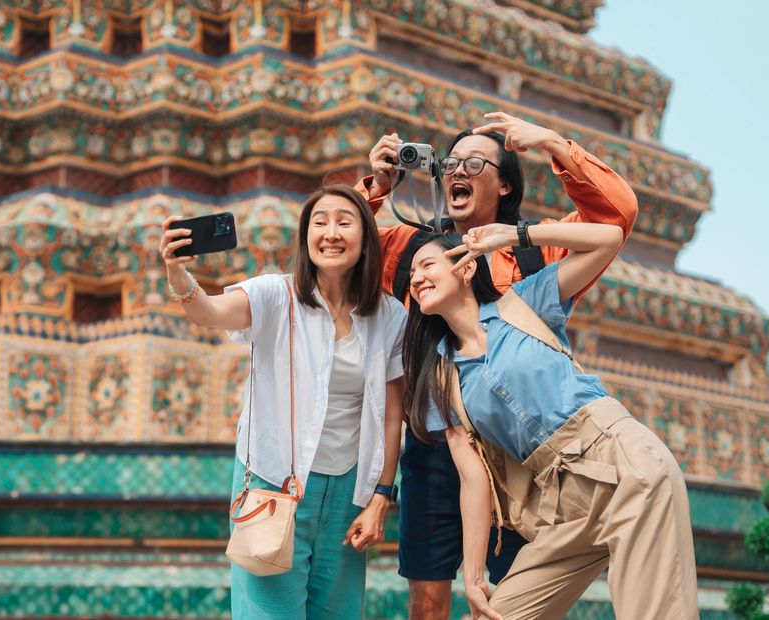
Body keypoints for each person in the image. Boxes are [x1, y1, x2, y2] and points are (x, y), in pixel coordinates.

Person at [355, 111, 639, 619]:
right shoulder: (414, 249)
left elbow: (615, 217)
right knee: (427, 601)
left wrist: (552, 143)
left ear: (505, 183)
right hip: (440, 442)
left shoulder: (535, 251)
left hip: (518, 451)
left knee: (507, 600)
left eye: (475, 163)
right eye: (451, 162)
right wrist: (376, 188)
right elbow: (342, 244)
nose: (457, 170)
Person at [403, 225, 699, 620]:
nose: (417, 277)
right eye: (411, 274)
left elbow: (609, 239)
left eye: (427, 265)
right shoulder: (442, 376)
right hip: (558, 504)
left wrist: (510, 236)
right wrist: (472, 576)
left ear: (466, 268)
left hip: (621, 461)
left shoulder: (525, 304)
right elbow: (472, 478)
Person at [158, 184, 407, 620]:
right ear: (305, 237)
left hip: (349, 492)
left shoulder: (389, 315)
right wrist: (179, 275)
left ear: (366, 238)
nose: (331, 232)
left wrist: (381, 495)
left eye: (345, 222)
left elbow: (391, 414)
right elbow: (211, 312)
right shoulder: (276, 295)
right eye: (320, 222)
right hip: (275, 483)